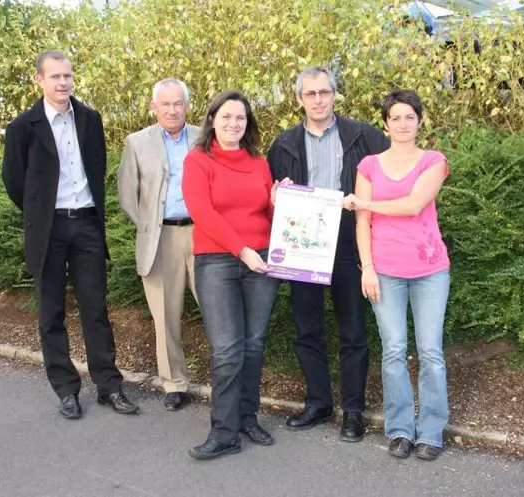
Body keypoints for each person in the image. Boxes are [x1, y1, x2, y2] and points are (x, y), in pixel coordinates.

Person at [1, 50, 138, 419]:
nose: (63, 83)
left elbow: (98, 165)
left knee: (96, 309)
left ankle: (109, 387)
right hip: (48, 229)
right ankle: (65, 388)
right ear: (39, 81)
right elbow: (14, 182)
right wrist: (42, 212)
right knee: (51, 312)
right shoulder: (22, 127)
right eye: (55, 77)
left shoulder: (90, 119)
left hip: (88, 224)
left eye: (67, 76)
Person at [267, 66, 389, 441]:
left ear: (335, 94)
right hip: (303, 245)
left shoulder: (363, 136)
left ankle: (353, 410)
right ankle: (318, 402)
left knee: (353, 329)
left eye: (324, 92)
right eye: (310, 94)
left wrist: (365, 200)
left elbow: (389, 182)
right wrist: (275, 197)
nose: (318, 100)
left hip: (350, 241)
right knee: (308, 328)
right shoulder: (283, 144)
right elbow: (270, 199)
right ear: (300, 99)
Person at [343, 89, 450, 461]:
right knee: (393, 350)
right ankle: (401, 429)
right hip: (384, 271)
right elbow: (362, 224)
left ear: (419, 121)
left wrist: (364, 201)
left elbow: (413, 205)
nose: (403, 124)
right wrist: (367, 268)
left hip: (429, 270)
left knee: (430, 351)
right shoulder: (369, 166)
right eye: (395, 118)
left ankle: (432, 430)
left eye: (409, 116)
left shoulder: (433, 161)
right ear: (385, 124)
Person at [182, 90, 289, 460]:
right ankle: (223, 431)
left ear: (248, 123)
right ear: (212, 119)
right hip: (217, 262)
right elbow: (202, 212)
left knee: (254, 345)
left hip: (262, 262)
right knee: (227, 350)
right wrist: (241, 250)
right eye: (226, 116)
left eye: (240, 118)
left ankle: (246, 417)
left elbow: (268, 216)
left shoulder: (259, 162)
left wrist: (280, 203)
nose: (233, 124)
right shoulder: (198, 160)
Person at [117, 78, 199, 412]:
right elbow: (127, 193)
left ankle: (227, 380)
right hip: (160, 237)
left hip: (202, 233)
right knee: (165, 316)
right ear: (154, 107)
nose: (172, 109)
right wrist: (149, 227)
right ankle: (174, 383)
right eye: (165, 104)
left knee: (218, 307)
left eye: (177, 103)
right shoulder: (137, 142)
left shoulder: (205, 136)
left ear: (186, 105)